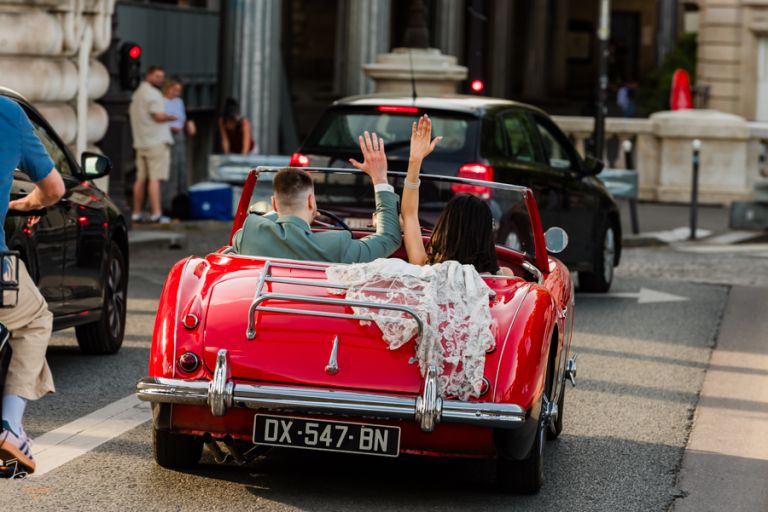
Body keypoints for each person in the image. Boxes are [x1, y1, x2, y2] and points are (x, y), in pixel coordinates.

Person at [0, 95, 66, 474]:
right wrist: (24, 205)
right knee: (35, 317)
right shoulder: (8, 112)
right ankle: (10, 427)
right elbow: (54, 189)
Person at [232, 131, 401, 263]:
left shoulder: (249, 233)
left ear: (274, 204)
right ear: (311, 201)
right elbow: (389, 238)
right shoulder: (337, 245)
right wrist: (380, 178)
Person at [402, 115, 515, 276]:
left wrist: (415, 161)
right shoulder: (503, 276)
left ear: (444, 229)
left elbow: (410, 215)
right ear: (485, 235)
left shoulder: (425, 269)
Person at [129, 65, 176, 224]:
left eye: (161, 76)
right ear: (148, 75)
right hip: (156, 142)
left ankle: (136, 212)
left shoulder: (137, 94)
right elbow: (158, 116)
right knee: (155, 179)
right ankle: (156, 213)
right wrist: (172, 117)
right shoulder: (153, 94)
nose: (160, 80)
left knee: (140, 179)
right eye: (157, 76)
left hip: (141, 141)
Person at [162, 77, 196, 218]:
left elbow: (182, 118)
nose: (176, 93)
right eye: (174, 90)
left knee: (181, 169)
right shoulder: (162, 102)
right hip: (168, 136)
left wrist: (188, 124)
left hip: (180, 136)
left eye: (179, 90)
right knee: (171, 169)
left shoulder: (179, 102)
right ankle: (167, 204)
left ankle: (180, 203)